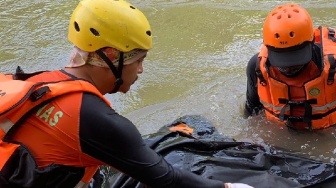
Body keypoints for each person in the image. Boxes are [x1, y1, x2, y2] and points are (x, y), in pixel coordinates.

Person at [0, 0, 253, 188]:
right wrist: (229, 187)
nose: (141, 70)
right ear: (110, 56)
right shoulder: (93, 118)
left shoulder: (35, 81)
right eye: (138, 59)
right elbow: (167, 179)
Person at [244, 3, 336, 130]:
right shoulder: (257, 68)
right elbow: (251, 114)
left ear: (312, 42)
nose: (288, 68)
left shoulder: (332, 66)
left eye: (296, 61)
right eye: (282, 62)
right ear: (268, 49)